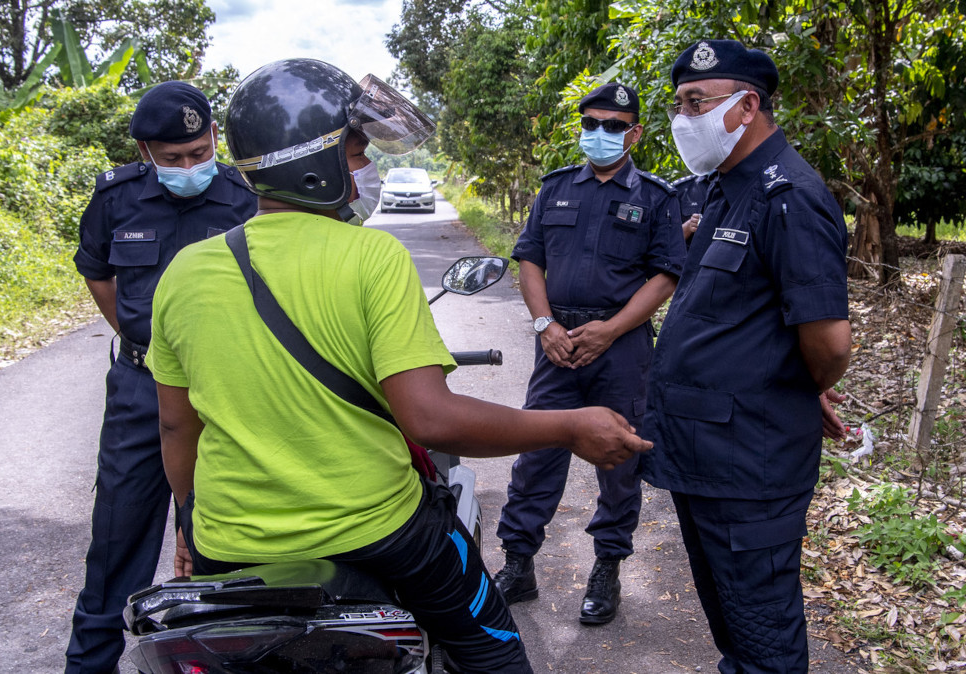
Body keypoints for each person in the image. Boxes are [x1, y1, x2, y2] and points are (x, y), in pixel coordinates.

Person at [144, 58, 652, 674]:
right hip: (377, 531)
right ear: (316, 160)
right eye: (357, 151)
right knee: (493, 652)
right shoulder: (371, 256)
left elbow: (177, 428)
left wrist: (189, 528)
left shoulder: (185, 272)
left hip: (229, 541)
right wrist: (570, 427)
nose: (367, 168)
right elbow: (430, 419)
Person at [642, 40, 851, 673]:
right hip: (709, 457)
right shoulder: (729, 189)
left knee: (763, 640)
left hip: (749, 466)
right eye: (679, 104)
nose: (683, 119)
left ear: (746, 105)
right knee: (736, 627)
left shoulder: (790, 195)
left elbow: (829, 341)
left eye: (697, 102)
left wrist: (802, 382)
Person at [67, 81, 257, 673]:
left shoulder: (243, 197)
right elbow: (97, 271)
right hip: (141, 389)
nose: (189, 167)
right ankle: (92, 662)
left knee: (231, 534)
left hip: (226, 384)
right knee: (118, 536)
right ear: (146, 152)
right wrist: (136, 337)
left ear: (215, 140)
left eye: (199, 153)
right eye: (173, 159)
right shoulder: (116, 198)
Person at [492, 82, 687, 626]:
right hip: (555, 343)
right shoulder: (554, 188)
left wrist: (612, 330)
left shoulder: (655, 197)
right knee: (536, 452)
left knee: (619, 458)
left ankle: (607, 568)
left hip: (619, 348)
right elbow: (529, 259)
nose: (599, 134)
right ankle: (519, 562)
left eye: (613, 125)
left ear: (634, 133)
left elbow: (666, 273)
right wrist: (544, 323)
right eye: (591, 124)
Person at [673, 173, 710, 242]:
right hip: (693, 250)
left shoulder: (735, 187)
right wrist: (689, 226)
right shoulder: (681, 188)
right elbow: (666, 240)